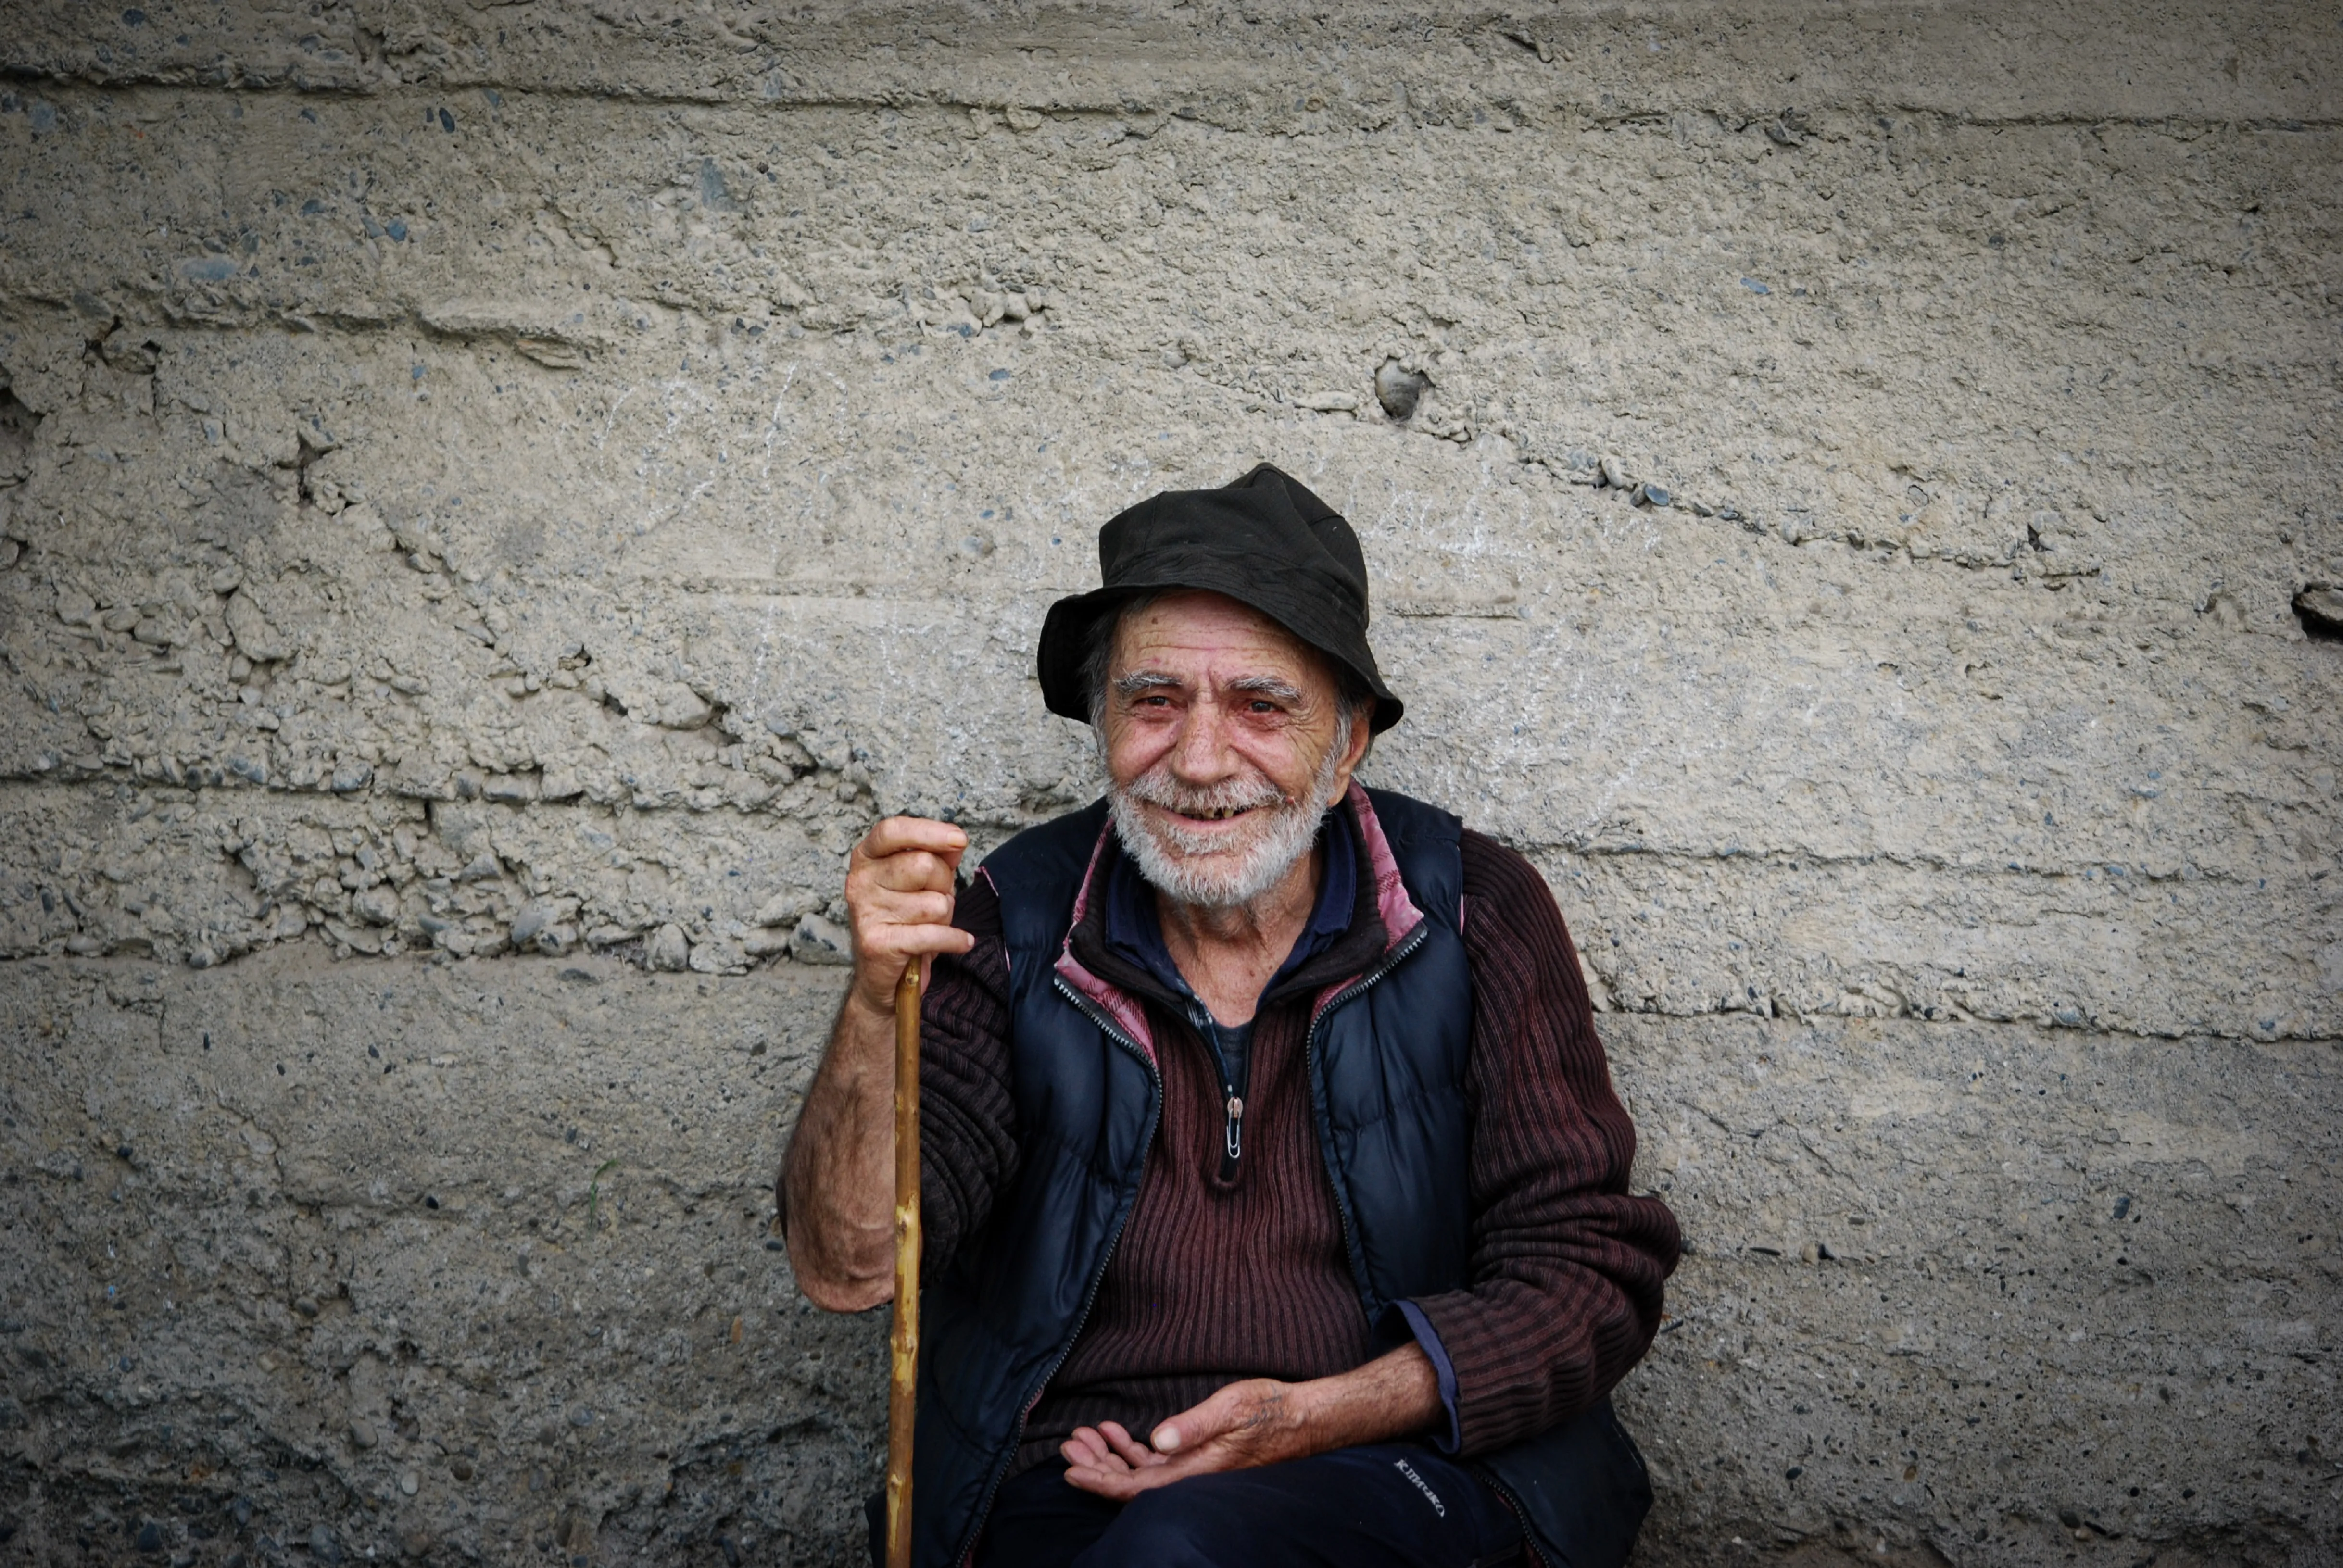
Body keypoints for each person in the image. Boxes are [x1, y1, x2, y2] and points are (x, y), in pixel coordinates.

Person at [780, 464, 1681, 1568]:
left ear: (1347, 745)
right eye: (1154, 700)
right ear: (1104, 720)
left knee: (1185, 1551)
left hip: (1405, 1461)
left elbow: (1588, 1273)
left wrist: (1317, 1415)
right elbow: (853, 1266)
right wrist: (877, 1003)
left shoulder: (1467, 910)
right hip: (1075, 1475)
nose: (1200, 761)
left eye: (1263, 705)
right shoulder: (1008, 923)